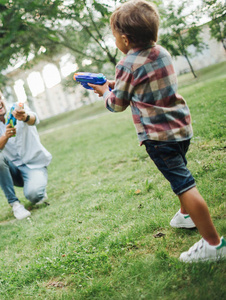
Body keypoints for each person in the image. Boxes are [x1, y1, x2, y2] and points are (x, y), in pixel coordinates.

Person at [88, 0, 225, 262]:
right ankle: (186, 216)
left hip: (158, 137)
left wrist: (106, 91)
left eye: (115, 36)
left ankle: (213, 244)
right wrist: (116, 83)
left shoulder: (126, 64)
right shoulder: (161, 52)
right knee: (180, 170)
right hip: (181, 128)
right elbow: (143, 81)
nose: (114, 40)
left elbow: (118, 104)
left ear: (126, 39)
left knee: (184, 184)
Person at [0, 85, 52, 220]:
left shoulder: (18, 108)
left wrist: (24, 116)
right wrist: (5, 136)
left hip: (34, 164)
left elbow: (35, 119)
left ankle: (37, 189)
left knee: (34, 196)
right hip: (14, 171)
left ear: (3, 97)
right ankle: (15, 205)